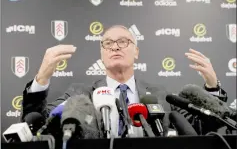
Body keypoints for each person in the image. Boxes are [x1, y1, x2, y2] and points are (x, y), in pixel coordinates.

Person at [21, 25, 227, 137]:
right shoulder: (80, 94)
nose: (115, 47)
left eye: (123, 42)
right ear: (102, 53)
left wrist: (212, 87)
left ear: (136, 52)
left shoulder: (159, 94)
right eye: (108, 43)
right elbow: (38, 122)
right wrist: (42, 78)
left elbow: (198, 129)